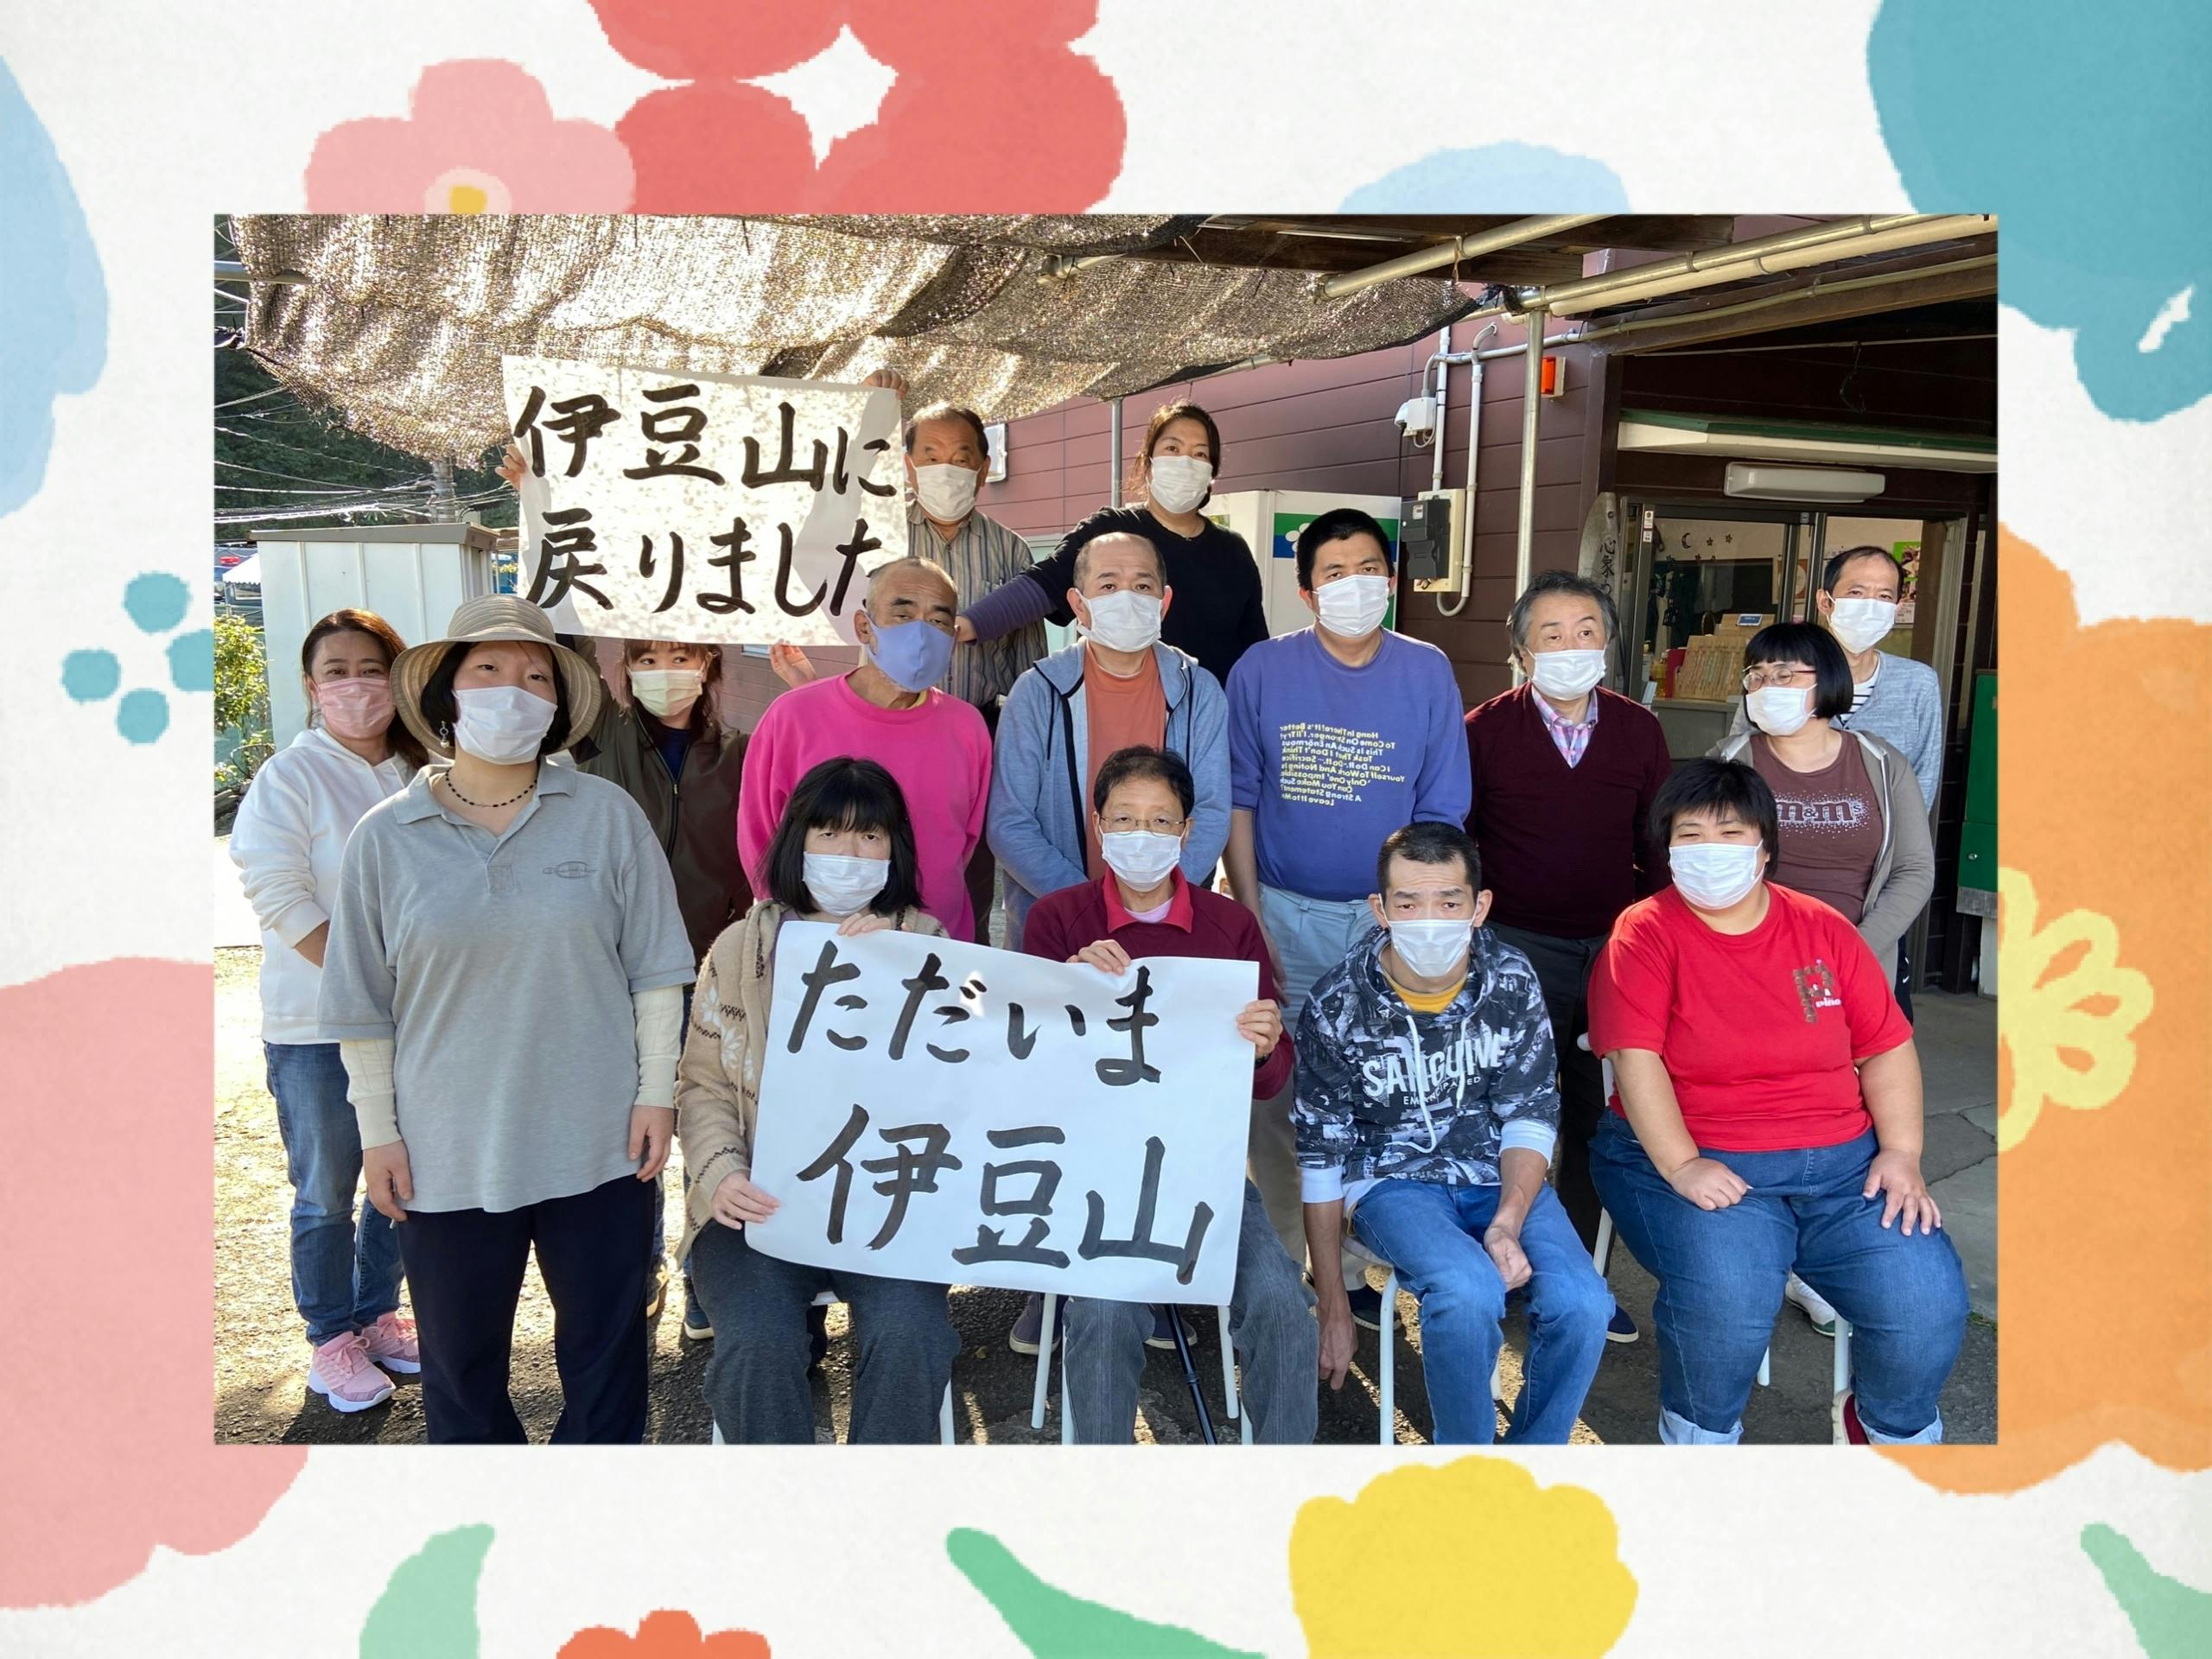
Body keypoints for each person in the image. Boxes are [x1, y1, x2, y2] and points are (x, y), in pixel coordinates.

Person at [318, 597, 695, 1444]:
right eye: (488, 669)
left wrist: (656, 1093)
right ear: (447, 691)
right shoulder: (385, 837)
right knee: (459, 1368)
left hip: (598, 1140)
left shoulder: (607, 816)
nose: (513, 690)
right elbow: (360, 1006)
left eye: (536, 676)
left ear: (558, 705)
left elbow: (656, 972)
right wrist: (378, 1133)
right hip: (444, 1148)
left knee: (606, 1356)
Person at [1586, 760, 1968, 1444]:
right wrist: (1682, 1165)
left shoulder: (1823, 929)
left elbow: (1885, 1046)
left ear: (1765, 848)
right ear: (1666, 847)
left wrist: (1903, 1153)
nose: (1710, 850)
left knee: (1926, 1302)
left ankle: (1887, 1430)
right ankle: (1700, 1444)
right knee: (1726, 1301)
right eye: (1690, 834)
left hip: (1845, 1169)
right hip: (1699, 1157)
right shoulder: (1644, 933)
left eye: (1731, 833)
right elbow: (1634, 1060)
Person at [1014, 749, 1318, 1427]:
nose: (1141, 835)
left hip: (1202, 1167)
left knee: (1280, 1301)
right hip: (1091, 1172)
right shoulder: (1058, 920)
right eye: (1124, 819)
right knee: (1102, 1315)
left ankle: (1284, 1472)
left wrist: (1265, 1046)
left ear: (1186, 831)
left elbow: (1269, 1082)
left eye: (1160, 821)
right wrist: (1067, 991)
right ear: (1098, 826)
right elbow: (1027, 1067)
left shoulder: (1230, 927)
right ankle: (1103, 1482)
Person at [1226, 506, 1472, 1321]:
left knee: (1379, 1088)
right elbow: (1239, 799)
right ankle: (1281, 1268)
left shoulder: (1426, 669)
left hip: (1387, 923)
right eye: (1334, 572)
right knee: (1280, 1090)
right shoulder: (1263, 669)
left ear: (1391, 581)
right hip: (1284, 912)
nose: (1354, 585)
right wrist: (1251, 913)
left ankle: (1361, 1264)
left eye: (1369, 569)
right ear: (1306, 591)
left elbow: (1442, 805)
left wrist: (1416, 919)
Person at [1294, 822, 1611, 1445]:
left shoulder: (1511, 980)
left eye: (1448, 902)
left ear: (1479, 906)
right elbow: (1320, 1158)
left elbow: (1529, 1114)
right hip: (1390, 1181)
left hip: (1497, 1174)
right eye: (1408, 903)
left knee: (1585, 1304)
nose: (1429, 920)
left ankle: (1531, 1459)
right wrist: (1333, 1303)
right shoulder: (1337, 1004)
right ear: (1380, 910)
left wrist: (1508, 1220)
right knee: (1466, 1291)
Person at [676, 757, 962, 1443]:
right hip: (759, 1205)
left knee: (911, 1333)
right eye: (829, 833)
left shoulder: (927, 943)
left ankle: (881, 1498)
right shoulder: (741, 949)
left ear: (895, 849)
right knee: (759, 1341)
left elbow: (965, 1079)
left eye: (871, 836)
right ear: (796, 840)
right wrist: (721, 1173)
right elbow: (702, 1084)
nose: (849, 854)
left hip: (886, 1202)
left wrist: (902, 969)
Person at [1463, 570, 1674, 1344]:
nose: (1571, 646)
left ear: (1608, 643)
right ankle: (1494, 1265)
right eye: (1551, 634)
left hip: (1614, 952)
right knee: (1506, 1112)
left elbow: (1657, 846)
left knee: (1595, 1118)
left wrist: (1651, 939)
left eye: (1586, 631)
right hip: (1515, 947)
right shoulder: (1483, 731)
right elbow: (1462, 842)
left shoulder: (1639, 730)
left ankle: (1577, 1275)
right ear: (1522, 651)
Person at [1711, 620, 1935, 1342]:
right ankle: (1764, 1246)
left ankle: (1827, 1257)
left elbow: (1913, 870)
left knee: (1854, 1107)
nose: (1770, 686)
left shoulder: (1879, 763)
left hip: (1855, 965)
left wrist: (1849, 955)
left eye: (1789, 673)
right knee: (1769, 1109)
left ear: (1828, 682)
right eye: (1759, 674)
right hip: (1749, 968)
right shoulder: (1732, 761)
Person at [229, 608, 427, 1412]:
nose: (355, 686)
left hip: (414, 1022)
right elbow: (279, 894)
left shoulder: (423, 770)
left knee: (398, 1177)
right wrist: (360, 983)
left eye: (371, 668)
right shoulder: (291, 776)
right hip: (315, 1027)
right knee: (324, 1191)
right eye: (335, 672)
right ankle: (330, 1338)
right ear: (311, 688)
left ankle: (377, 1316)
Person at [763, 400, 1046, 945]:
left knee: (957, 881)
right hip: (870, 729)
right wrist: (868, 420)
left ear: (984, 467)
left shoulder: (1011, 550)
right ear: (909, 465)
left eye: (962, 456)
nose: (948, 468)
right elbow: (815, 543)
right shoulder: (875, 533)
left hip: (966, 743)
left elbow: (1023, 662)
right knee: (852, 857)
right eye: (931, 455)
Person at [567, 637, 752, 1342]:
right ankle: (641, 1265)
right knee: (632, 1129)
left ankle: (707, 1270)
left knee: (712, 1119)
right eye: (646, 658)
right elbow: (564, 643)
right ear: (624, 669)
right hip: (618, 973)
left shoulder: (738, 753)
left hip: (710, 970)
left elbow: (756, 852)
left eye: (682, 655)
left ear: (710, 665)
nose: (664, 671)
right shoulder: (601, 736)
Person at [987, 530, 1229, 952]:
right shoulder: (1037, 691)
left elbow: (1210, 810)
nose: (1127, 597)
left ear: (1164, 601)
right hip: (1057, 930)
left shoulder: (1199, 690)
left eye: (1142, 586)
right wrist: (1089, 910)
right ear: (1079, 603)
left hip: (1168, 929)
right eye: (1109, 585)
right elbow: (1010, 822)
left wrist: (1156, 906)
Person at [1732, 545, 1944, 1017]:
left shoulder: (1916, 687)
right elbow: (1740, 766)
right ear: (1826, 601)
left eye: (1885, 595)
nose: (1871, 605)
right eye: (1857, 592)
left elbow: (1923, 784)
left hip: (1869, 903)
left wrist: (1866, 931)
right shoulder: (1773, 680)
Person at [737, 557, 993, 942]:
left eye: (938, 621)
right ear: (864, 627)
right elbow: (759, 836)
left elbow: (965, 844)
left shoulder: (968, 726)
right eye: (902, 615)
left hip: (934, 947)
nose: (921, 633)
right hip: (816, 947)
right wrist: (793, 933)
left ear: (953, 636)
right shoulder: (792, 716)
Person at [954, 402, 1269, 691]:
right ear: (1148, 464)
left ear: (1212, 472)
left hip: (1209, 719)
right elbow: (1041, 585)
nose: (1185, 462)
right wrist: (965, 625)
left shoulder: (1233, 551)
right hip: (1117, 708)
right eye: (1172, 448)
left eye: (1199, 454)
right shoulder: (1109, 531)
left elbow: (1254, 650)